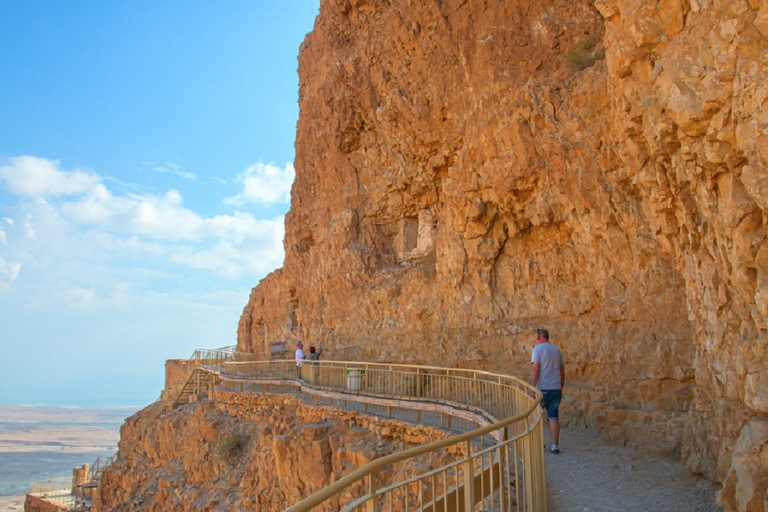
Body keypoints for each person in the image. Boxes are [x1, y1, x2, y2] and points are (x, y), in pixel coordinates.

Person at [530, 328, 565, 454]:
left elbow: (536, 369)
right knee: (553, 416)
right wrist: (561, 385)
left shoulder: (537, 350)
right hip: (555, 388)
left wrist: (532, 388)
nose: (535, 339)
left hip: (542, 389)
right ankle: (555, 445)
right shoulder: (557, 350)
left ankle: (540, 444)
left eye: (535, 337)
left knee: (537, 416)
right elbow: (562, 370)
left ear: (540, 337)